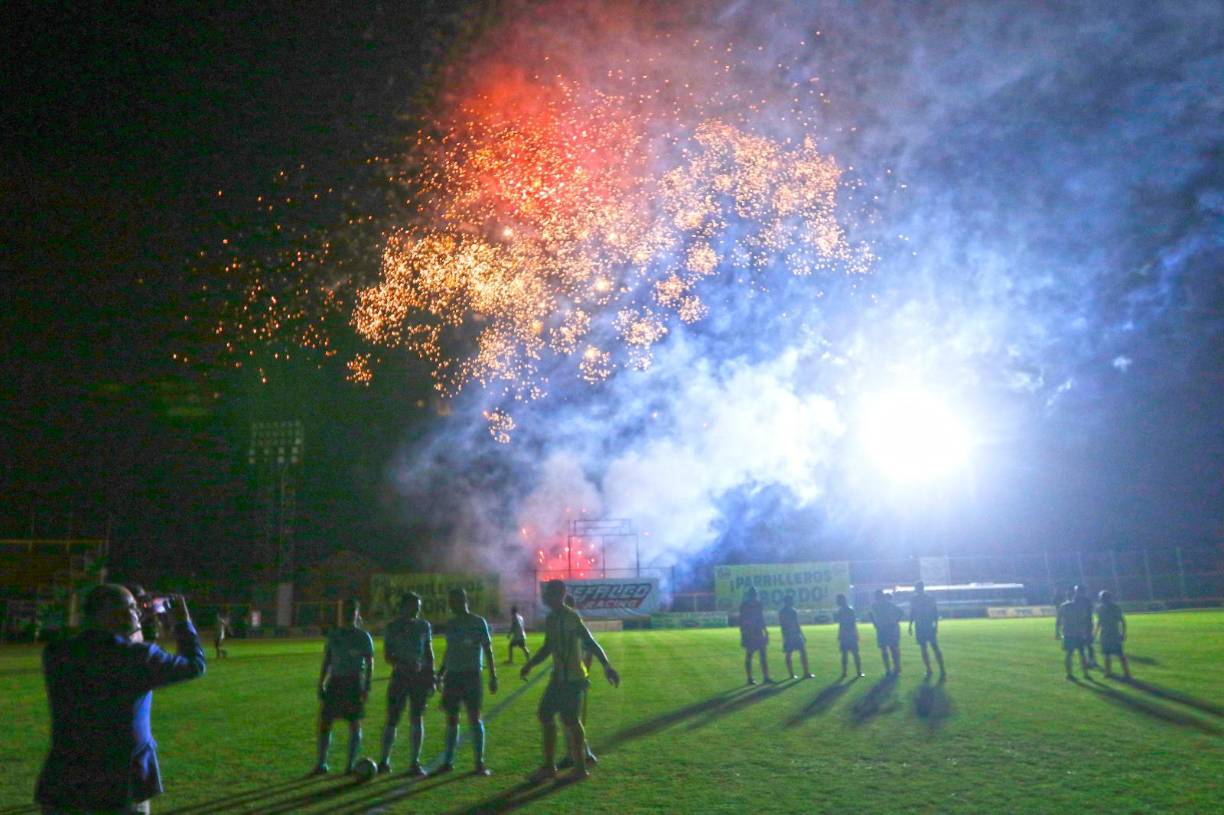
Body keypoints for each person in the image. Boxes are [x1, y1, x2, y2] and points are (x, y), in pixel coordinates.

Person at [35, 584, 205, 814]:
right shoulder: (139, 657)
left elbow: (98, 648)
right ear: (114, 614)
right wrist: (183, 622)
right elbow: (194, 665)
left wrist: (131, 629)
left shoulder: (56, 654)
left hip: (65, 779)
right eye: (132, 609)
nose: (137, 613)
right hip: (121, 783)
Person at [521, 579, 620, 782]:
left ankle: (580, 767)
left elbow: (590, 642)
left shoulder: (571, 617)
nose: (544, 596)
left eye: (548, 592)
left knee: (570, 720)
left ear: (558, 594)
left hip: (573, 679)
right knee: (545, 715)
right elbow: (548, 647)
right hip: (558, 678)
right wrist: (530, 664)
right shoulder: (551, 619)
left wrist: (607, 665)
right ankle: (551, 767)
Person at [436, 587, 497, 776]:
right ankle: (448, 761)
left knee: (474, 717)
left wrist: (493, 675)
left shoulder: (478, 622)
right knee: (452, 718)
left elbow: (487, 649)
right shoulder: (452, 624)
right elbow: (450, 651)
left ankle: (479, 762)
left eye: (452, 601)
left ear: (462, 601)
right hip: (453, 675)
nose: (450, 605)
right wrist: (440, 673)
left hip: (471, 674)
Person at [313, 604, 374, 775]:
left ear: (357, 614)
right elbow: (328, 660)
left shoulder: (363, 637)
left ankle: (350, 765)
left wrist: (367, 686)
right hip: (335, 682)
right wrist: (321, 682)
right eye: (345, 612)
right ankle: (322, 763)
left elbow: (370, 663)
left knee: (354, 723)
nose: (347, 615)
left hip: (353, 682)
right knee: (325, 722)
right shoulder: (334, 635)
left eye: (351, 612)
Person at [378, 592, 435, 775]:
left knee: (417, 718)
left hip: (419, 679)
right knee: (393, 718)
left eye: (419, 605)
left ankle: (414, 762)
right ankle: (384, 761)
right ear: (405, 606)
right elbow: (388, 655)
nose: (418, 609)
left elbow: (428, 653)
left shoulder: (424, 626)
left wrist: (431, 677)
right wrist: (402, 665)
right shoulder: (393, 627)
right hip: (400, 677)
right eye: (415, 605)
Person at [557, 594, 598, 769]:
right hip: (576, 676)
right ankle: (583, 753)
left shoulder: (573, 625)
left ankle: (576, 755)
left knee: (569, 718)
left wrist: (584, 675)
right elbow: (590, 654)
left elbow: (589, 653)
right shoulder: (576, 624)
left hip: (573, 678)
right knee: (573, 718)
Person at [907, 581, 945, 680]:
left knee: (924, 648)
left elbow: (912, 613)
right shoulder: (930, 598)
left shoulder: (914, 600)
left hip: (920, 626)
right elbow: (935, 612)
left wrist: (910, 625)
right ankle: (941, 669)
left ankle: (929, 669)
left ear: (917, 589)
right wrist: (936, 625)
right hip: (928, 625)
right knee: (934, 647)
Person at [1056, 585, 1094, 679]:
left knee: (1069, 654)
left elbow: (1058, 620)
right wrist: (1086, 631)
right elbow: (1085, 620)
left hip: (1069, 633)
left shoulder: (1063, 606)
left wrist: (1057, 632)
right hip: (1079, 633)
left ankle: (1069, 674)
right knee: (1082, 653)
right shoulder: (1079, 607)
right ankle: (1085, 674)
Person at [1094, 590, 1131, 680]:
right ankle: (1108, 672)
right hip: (1104, 634)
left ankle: (1127, 674)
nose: (1103, 599)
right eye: (1102, 598)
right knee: (1106, 654)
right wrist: (1095, 633)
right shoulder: (1099, 608)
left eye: (1104, 597)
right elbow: (1099, 621)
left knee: (1120, 654)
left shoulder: (1115, 608)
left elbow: (1122, 621)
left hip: (1114, 634)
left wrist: (1123, 633)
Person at [739, 587, 772, 685]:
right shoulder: (744, 605)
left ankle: (765, 677)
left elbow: (761, 618)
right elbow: (742, 620)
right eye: (753, 594)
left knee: (762, 655)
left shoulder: (758, 604)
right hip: (749, 632)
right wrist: (744, 632)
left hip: (758, 631)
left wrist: (765, 631)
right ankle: (750, 678)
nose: (754, 595)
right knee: (750, 655)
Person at [778, 593, 813, 680]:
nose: (792, 602)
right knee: (793, 654)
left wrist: (801, 634)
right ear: (788, 601)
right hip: (791, 635)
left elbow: (796, 624)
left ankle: (798, 673)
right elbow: (784, 625)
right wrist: (786, 636)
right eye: (791, 600)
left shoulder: (789, 611)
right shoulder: (786, 612)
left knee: (798, 653)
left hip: (794, 634)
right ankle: (800, 673)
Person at [870, 590, 903, 675]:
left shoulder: (888, 604)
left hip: (889, 628)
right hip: (882, 629)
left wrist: (895, 621)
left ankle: (896, 668)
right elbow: (872, 615)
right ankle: (890, 668)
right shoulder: (875, 605)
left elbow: (900, 612)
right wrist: (875, 624)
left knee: (892, 649)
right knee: (886, 649)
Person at [834, 593, 864, 678]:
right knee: (854, 654)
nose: (837, 602)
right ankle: (858, 672)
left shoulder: (843, 611)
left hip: (847, 635)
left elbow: (847, 623)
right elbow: (852, 623)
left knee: (846, 654)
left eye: (838, 600)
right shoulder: (848, 610)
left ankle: (845, 672)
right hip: (849, 635)